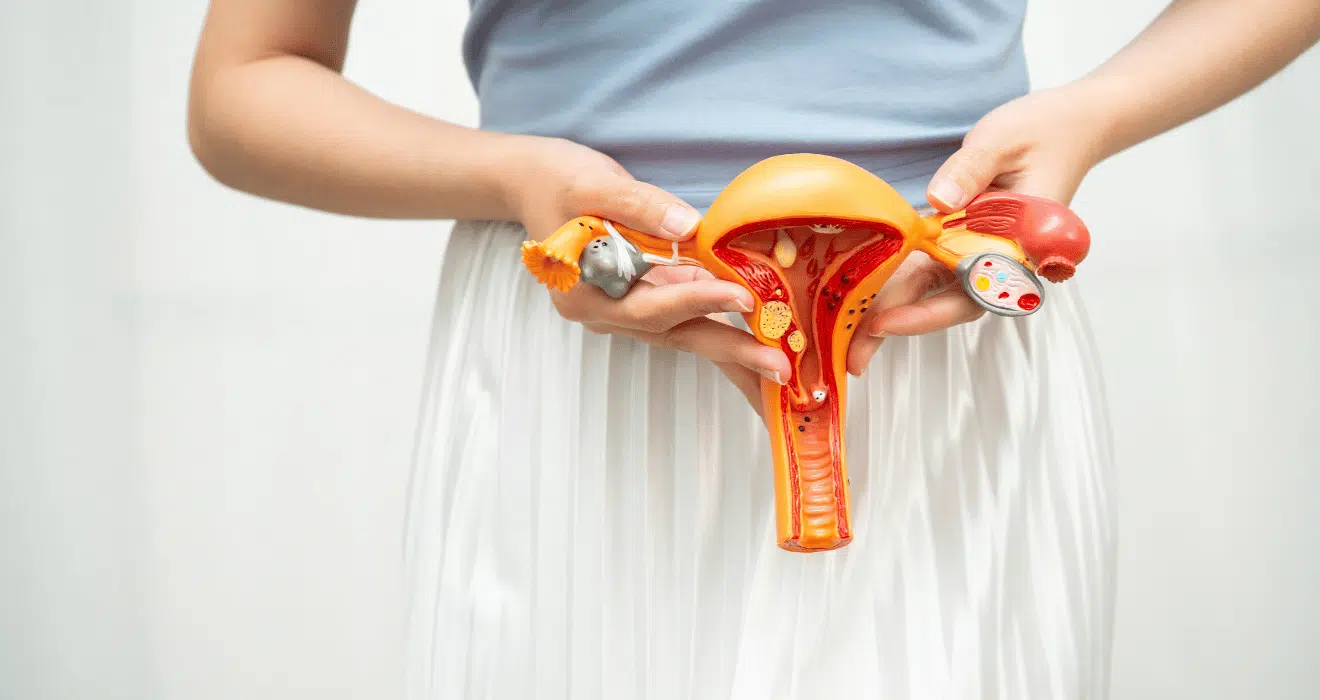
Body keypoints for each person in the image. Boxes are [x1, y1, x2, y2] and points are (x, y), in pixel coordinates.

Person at [187, 1, 1320, 697]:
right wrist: (513, 174)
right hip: (588, 337)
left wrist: (1097, 114)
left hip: (941, 318)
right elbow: (246, 82)